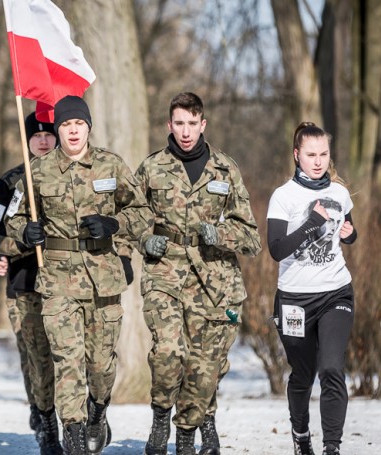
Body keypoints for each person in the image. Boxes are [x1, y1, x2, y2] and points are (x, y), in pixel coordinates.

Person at [7, 95, 150, 455]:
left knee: (100, 366)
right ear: (58, 129)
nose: (73, 131)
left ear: (88, 127)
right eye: (66, 125)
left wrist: (113, 223)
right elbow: (12, 218)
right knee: (66, 361)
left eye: (78, 124)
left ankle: (98, 411)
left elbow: (143, 213)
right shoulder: (37, 171)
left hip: (103, 278)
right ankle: (73, 437)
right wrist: (25, 232)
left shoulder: (110, 165)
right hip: (56, 280)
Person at [136, 92, 262, 455]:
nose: (186, 131)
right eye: (179, 123)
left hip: (214, 281)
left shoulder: (226, 169)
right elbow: (128, 218)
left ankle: (189, 435)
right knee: (169, 352)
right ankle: (162, 414)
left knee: (204, 368)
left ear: (203, 124)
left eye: (192, 124)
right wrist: (145, 239)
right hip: (166, 274)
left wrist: (219, 234)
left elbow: (251, 236)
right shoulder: (151, 168)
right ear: (169, 125)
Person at [266, 122, 357, 455]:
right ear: (297, 155)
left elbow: (349, 230)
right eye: (311, 154)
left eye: (323, 154)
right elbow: (276, 249)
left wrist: (349, 234)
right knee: (303, 374)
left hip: (336, 291)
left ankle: (332, 447)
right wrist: (311, 224)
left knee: (331, 367)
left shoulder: (339, 193)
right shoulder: (283, 197)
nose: (318, 161)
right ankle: (301, 434)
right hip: (294, 300)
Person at [0, 111, 61, 454]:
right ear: (27, 140)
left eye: (48, 134)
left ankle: (80, 417)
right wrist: (5, 252)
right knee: (35, 358)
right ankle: (45, 421)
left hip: (72, 285)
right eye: (36, 135)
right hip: (24, 284)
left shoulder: (78, 179)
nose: (43, 140)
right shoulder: (10, 182)